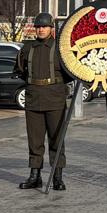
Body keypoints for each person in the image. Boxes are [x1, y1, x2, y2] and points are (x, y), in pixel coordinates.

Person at [17, 12, 70, 190]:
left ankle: (57, 177)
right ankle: (35, 175)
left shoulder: (60, 49)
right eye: (38, 27)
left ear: (51, 28)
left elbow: (69, 74)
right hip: (33, 98)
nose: (41, 30)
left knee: (56, 139)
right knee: (35, 140)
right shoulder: (27, 48)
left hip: (55, 98)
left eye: (44, 26)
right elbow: (20, 70)